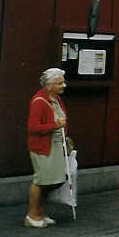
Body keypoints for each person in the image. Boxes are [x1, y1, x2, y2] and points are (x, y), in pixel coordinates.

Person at [26, 67, 69, 228]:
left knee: (51, 181)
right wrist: (55, 125)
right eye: (59, 83)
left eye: (63, 82)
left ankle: (40, 213)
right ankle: (31, 215)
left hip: (54, 145)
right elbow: (33, 127)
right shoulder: (39, 101)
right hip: (43, 147)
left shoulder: (55, 98)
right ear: (49, 85)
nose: (63, 85)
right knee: (41, 180)